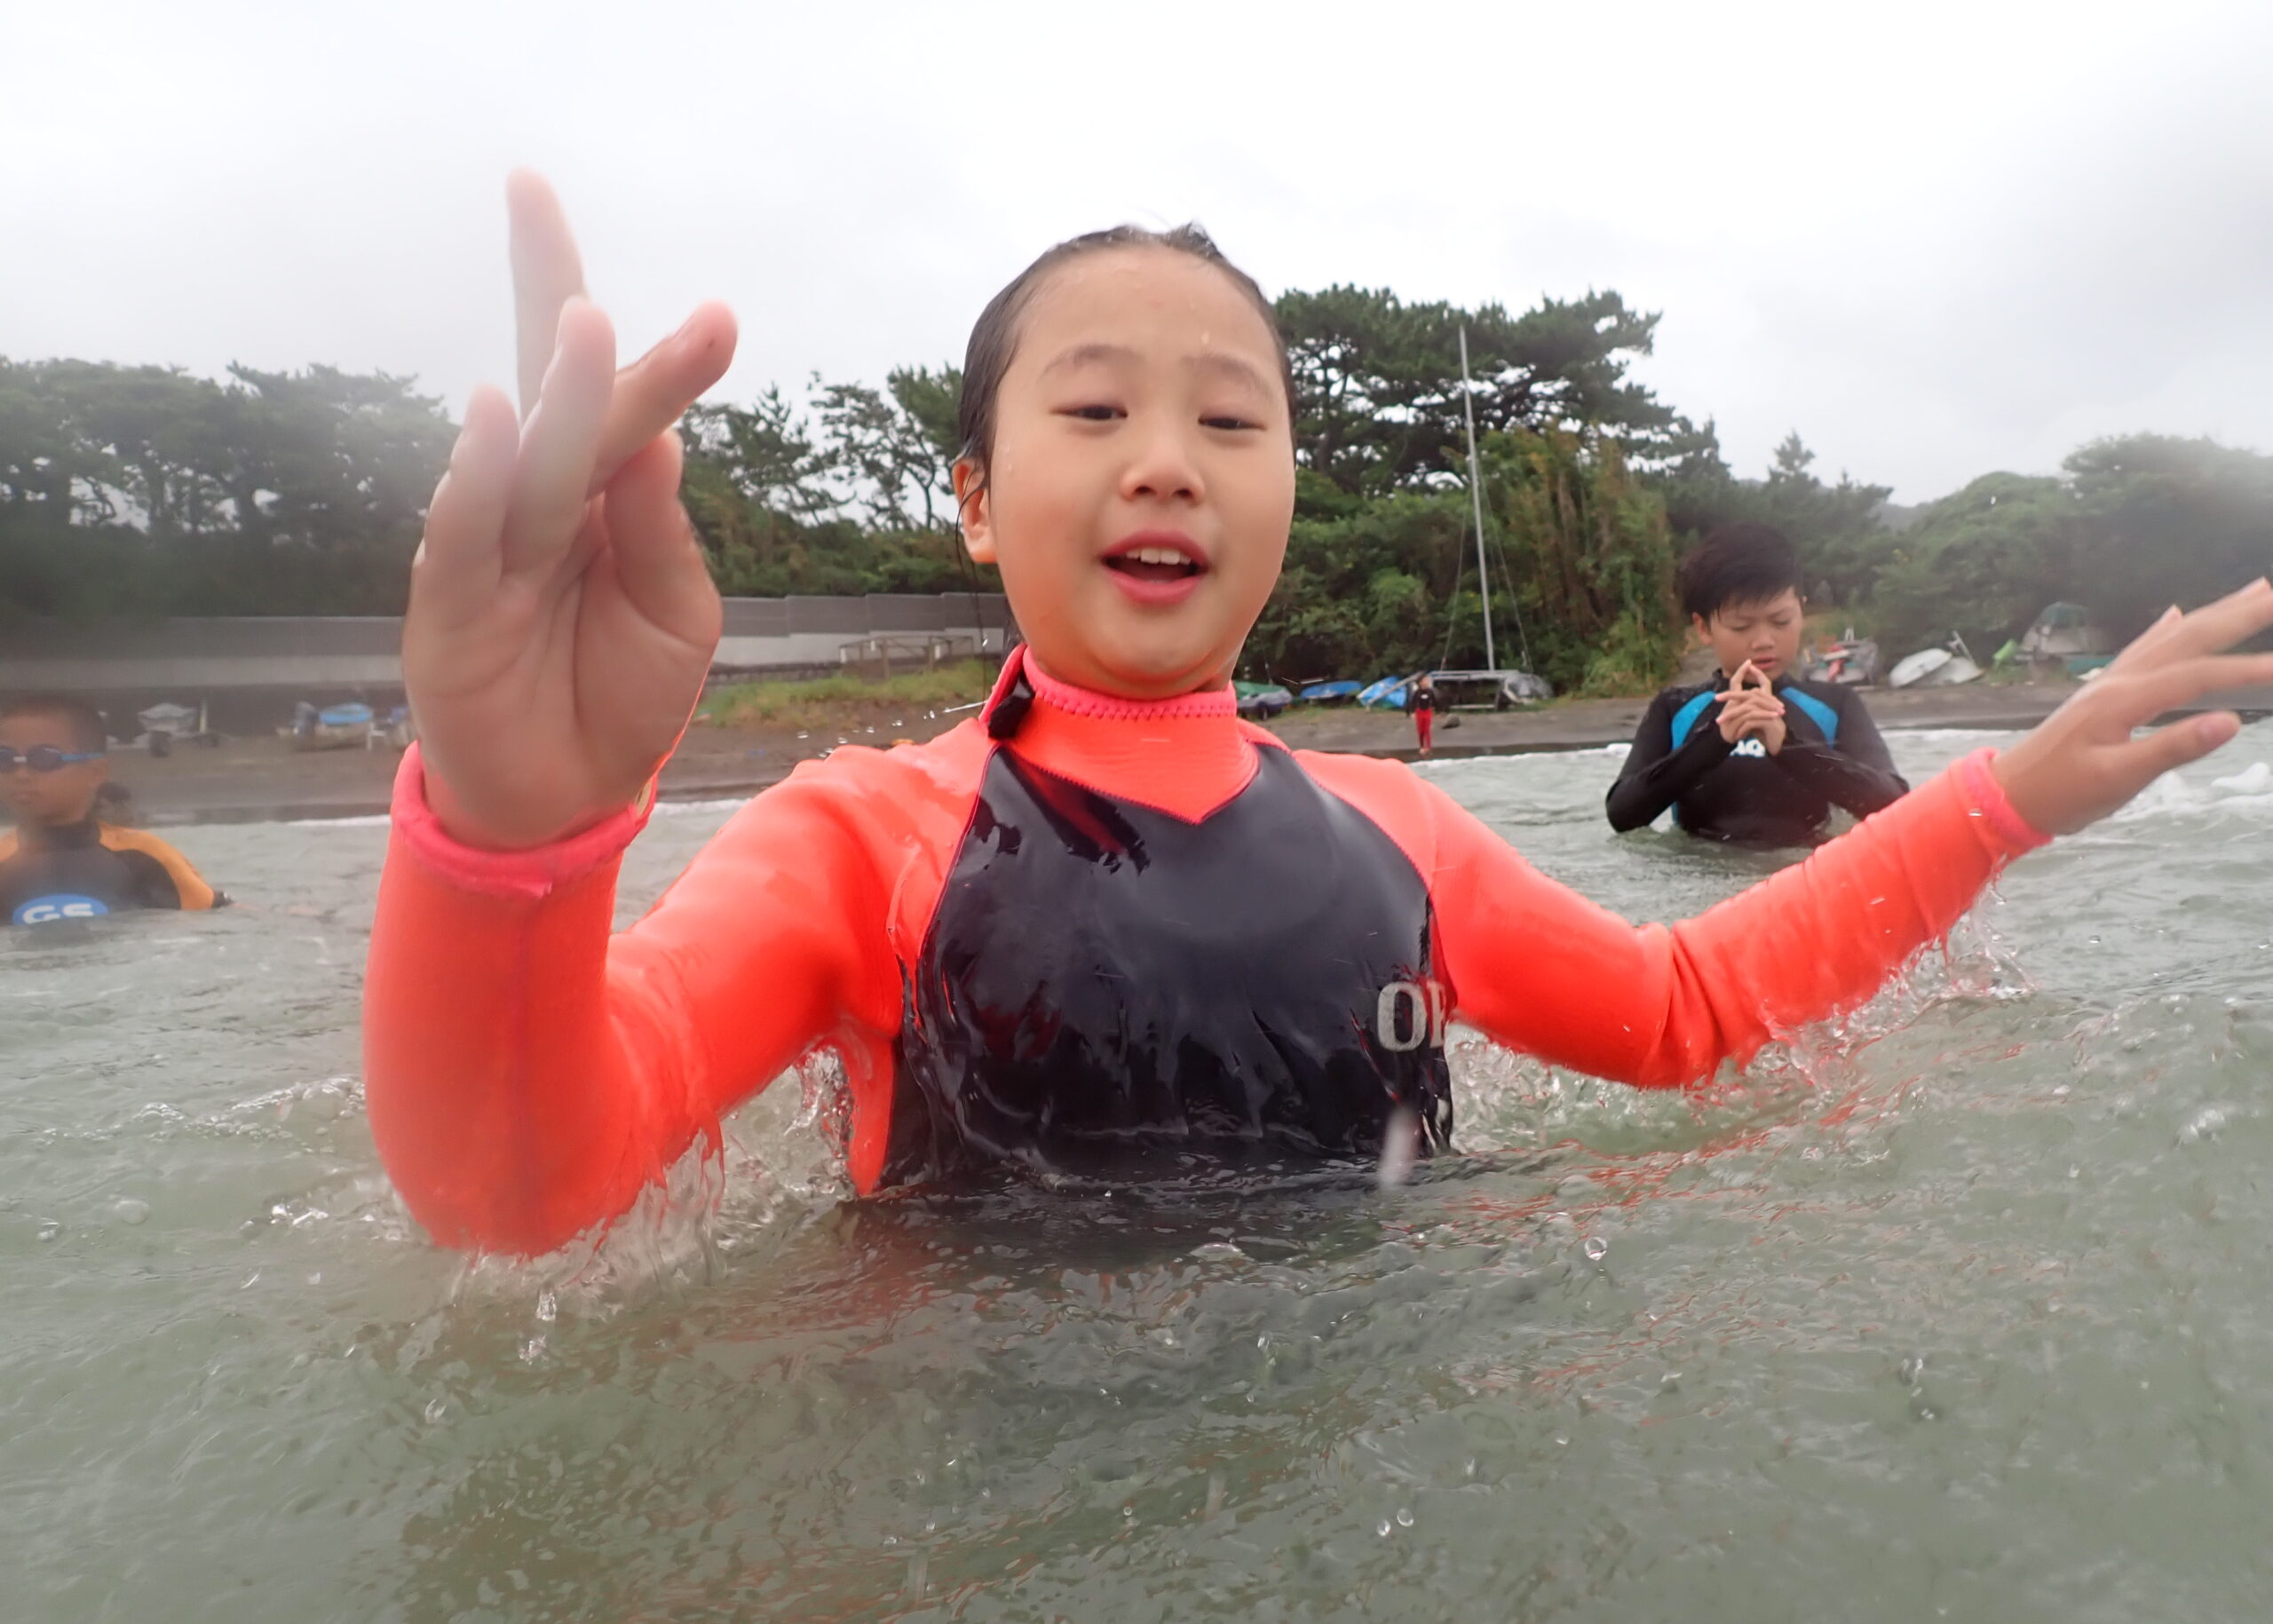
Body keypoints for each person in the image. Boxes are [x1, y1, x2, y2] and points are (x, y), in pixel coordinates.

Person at [362, 173, 2273, 1256]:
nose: (1166, 460)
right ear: (974, 496)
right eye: (1094, 410)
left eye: (1230, 418)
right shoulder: (854, 838)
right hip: (980, 1498)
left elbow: (1682, 1015)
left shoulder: (1398, 832)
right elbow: (515, 1191)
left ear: (1284, 481)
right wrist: (512, 837)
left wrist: (2003, 796)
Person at [1605, 524, 1905, 847]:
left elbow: (1895, 805)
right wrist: (1715, 740)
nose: (1764, 641)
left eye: (1781, 621)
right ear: (1704, 628)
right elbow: (1622, 814)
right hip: (1702, 871)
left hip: (1808, 869)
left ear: (1800, 611)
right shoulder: (1675, 708)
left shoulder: (1836, 704)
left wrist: (1787, 746)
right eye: (1741, 626)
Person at [0, 693, 226, 925]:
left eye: (44, 759)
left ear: (95, 772)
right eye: (4, 759)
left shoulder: (145, 856)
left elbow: (217, 921)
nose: (21, 775)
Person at [1407, 674, 1438, 757]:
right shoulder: (1417, 693)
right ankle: (1422, 747)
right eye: (1425, 680)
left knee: (1427, 730)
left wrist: (1437, 710)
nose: (1427, 682)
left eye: (1427, 680)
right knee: (1421, 731)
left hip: (1428, 711)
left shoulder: (1430, 691)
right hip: (1419, 712)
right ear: (1420, 683)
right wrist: (1412, 712)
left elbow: (1435, 701)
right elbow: (1413, 702)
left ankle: (1428, 747)